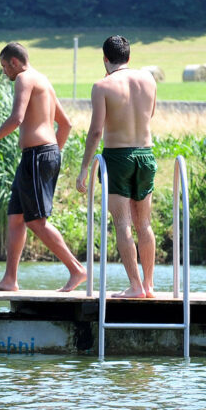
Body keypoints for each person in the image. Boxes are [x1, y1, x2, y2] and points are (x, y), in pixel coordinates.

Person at [0, 42, 87, 292]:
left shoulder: (24, 78)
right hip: (37, 156)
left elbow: (17, 118)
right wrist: (54, 152)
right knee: (16, 218)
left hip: (37, 156)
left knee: (36, 221)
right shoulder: (43, 80)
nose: (4, 73)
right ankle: (10, 280)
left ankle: (76, 269)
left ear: (14, 62)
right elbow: (65, 124)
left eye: (4, 66)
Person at [76, 35, 158, 298]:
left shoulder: (102, 86)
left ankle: (134, 286)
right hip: (146, 154)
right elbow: (150, 114)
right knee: (143, 223)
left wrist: (85, 168)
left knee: (122, 223)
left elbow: (96, 131)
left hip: (117, 156)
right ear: (129, 58)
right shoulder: (149, 79)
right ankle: (149, 285)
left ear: (105, 59)